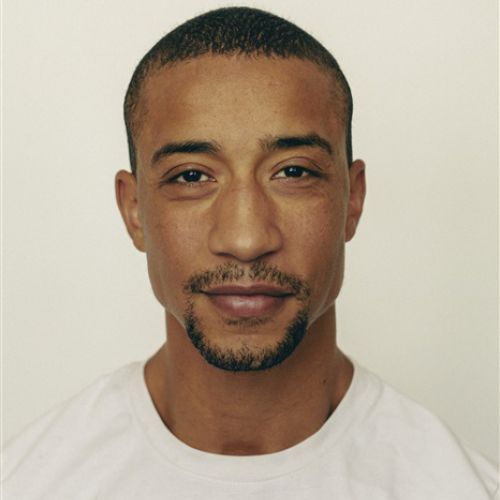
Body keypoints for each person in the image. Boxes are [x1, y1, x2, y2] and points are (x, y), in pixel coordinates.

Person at [2, 6, 497, 499]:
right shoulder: (28, 483)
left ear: (353, 199)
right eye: (191, 176)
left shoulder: (458, 487)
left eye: (293, 172)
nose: (246, 239)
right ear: (134, 211)